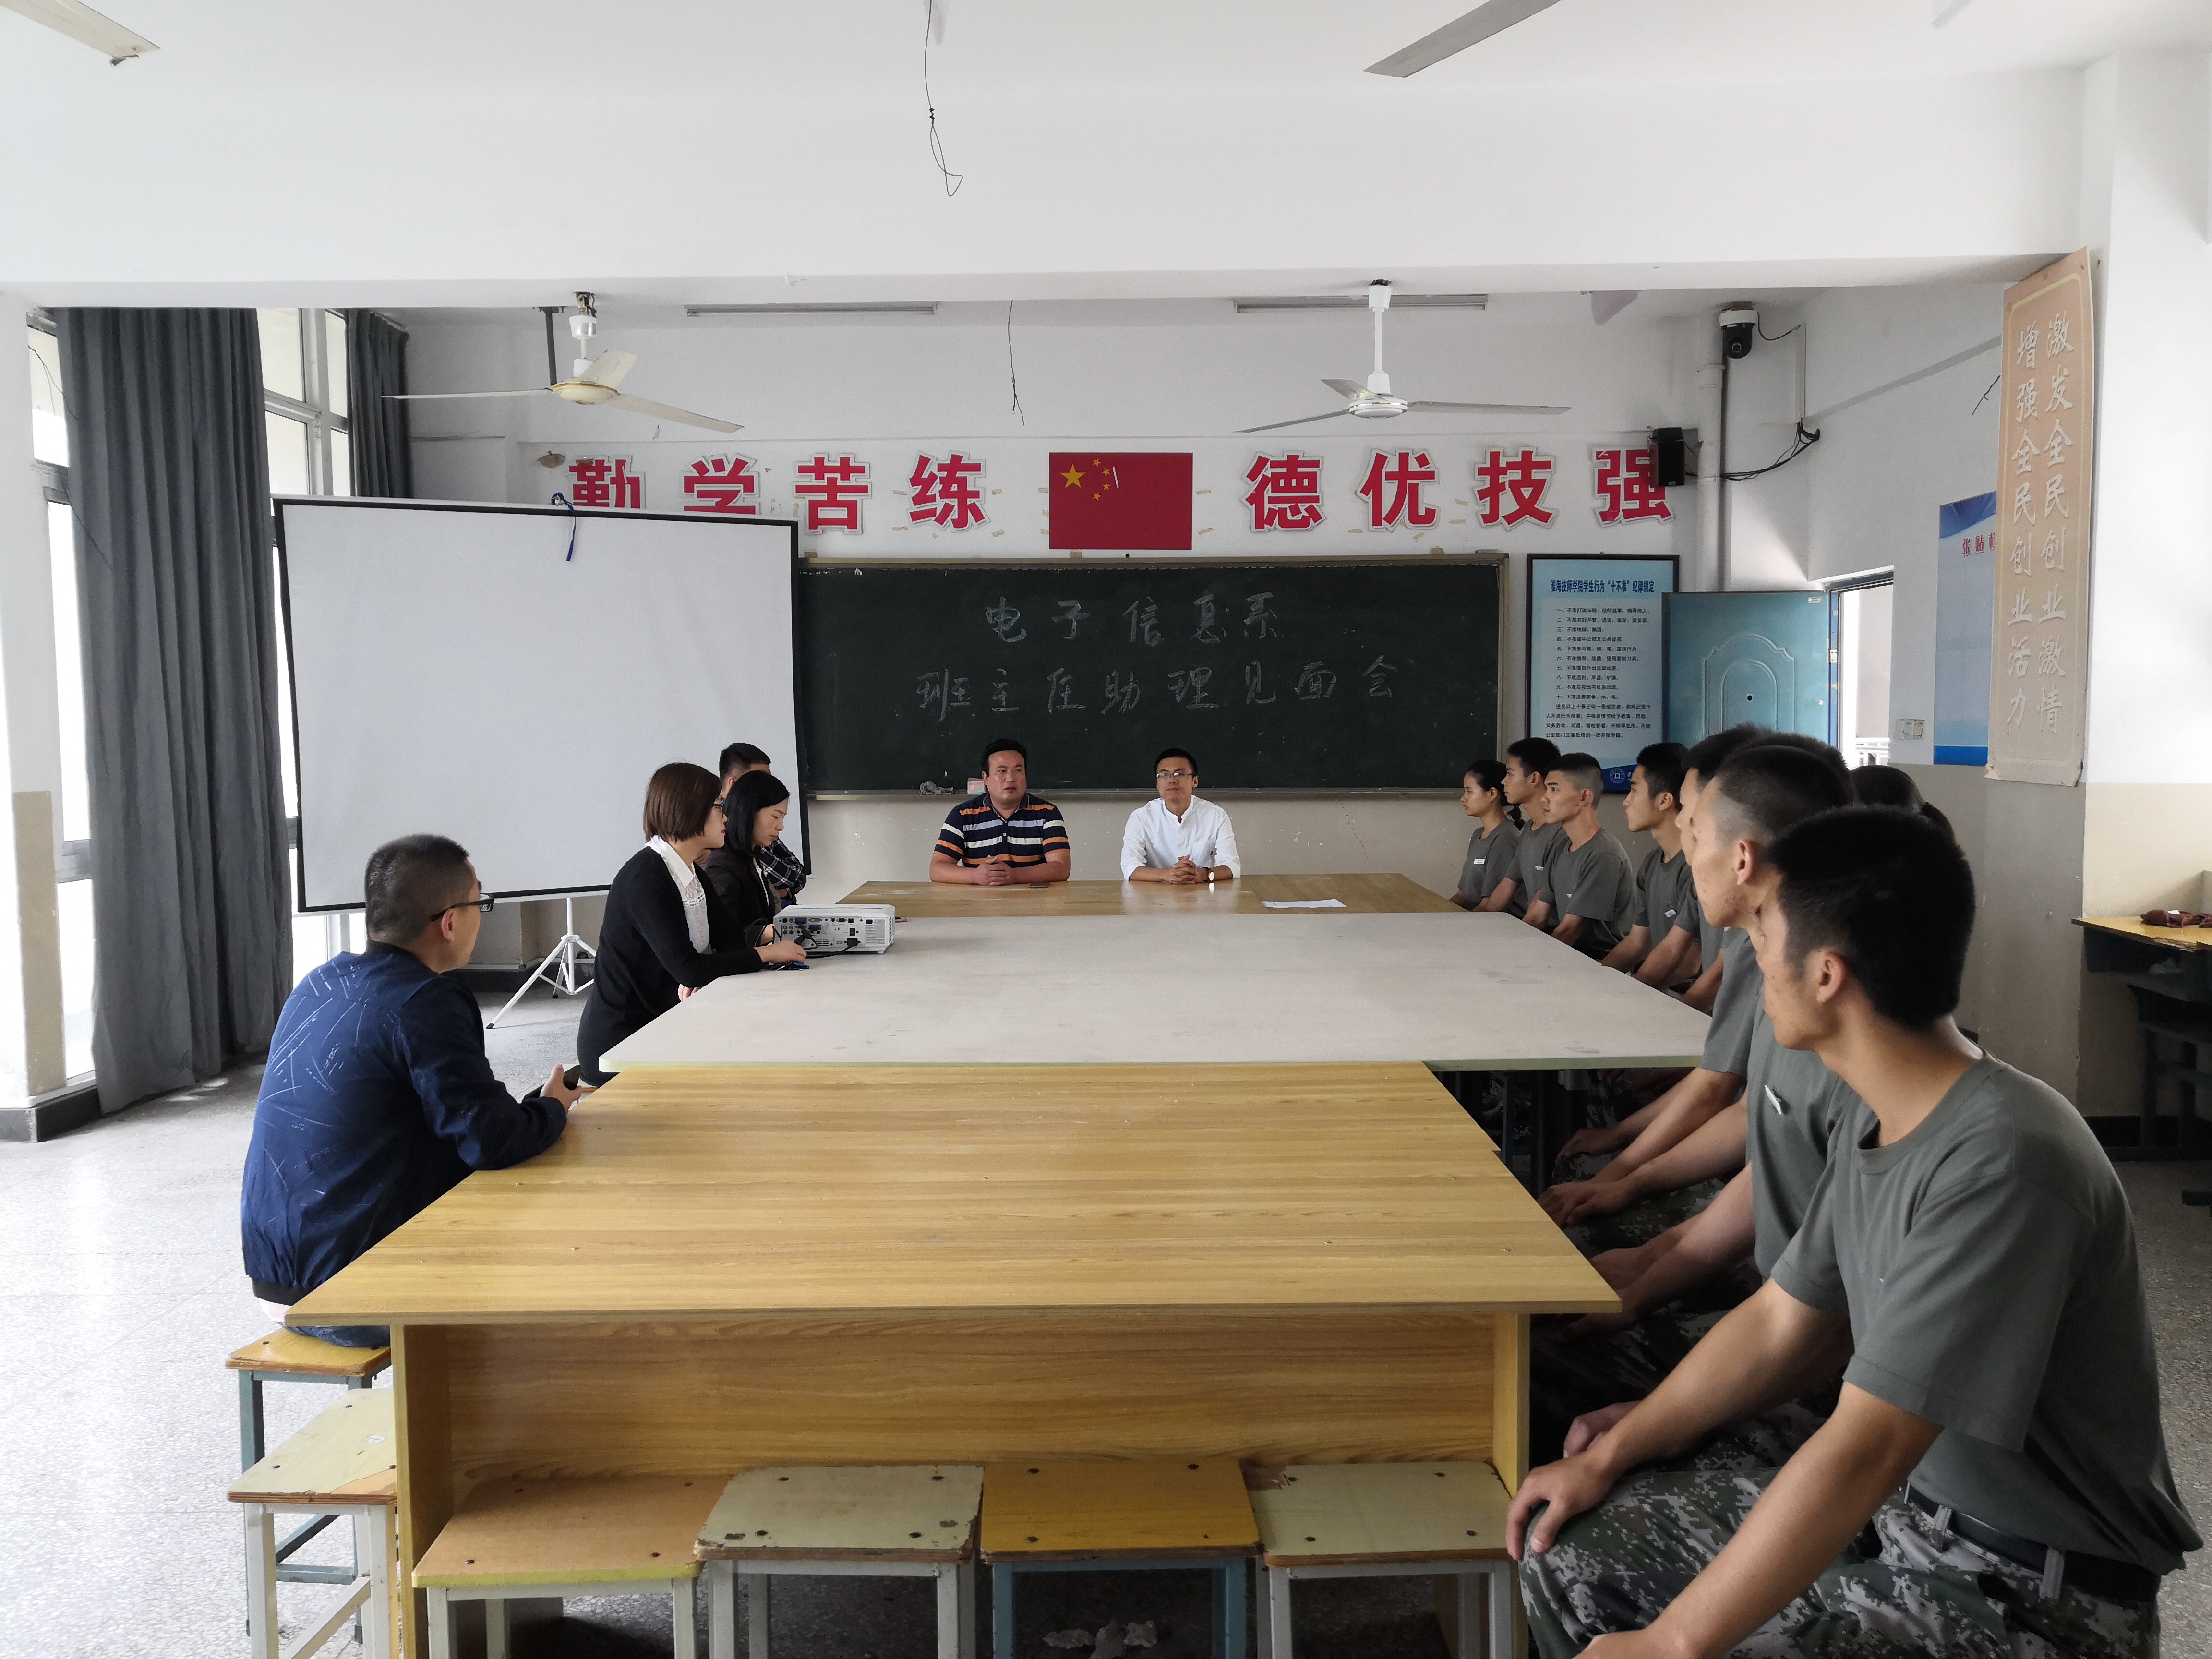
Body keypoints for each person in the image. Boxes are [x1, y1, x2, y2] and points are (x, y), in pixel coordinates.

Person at [1512, 807, 2200, 1659]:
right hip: (1913, 1520)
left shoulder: (2004, 1158)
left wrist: (1674, 1643)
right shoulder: (1883, 1120)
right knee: (1569, 1550)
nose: (1753, 957)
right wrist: (1610, 1453)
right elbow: (1781, 1321)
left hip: (2028, 1596)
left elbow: (1871, 1441)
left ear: (1827, 974)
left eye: (1765, 935)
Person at [241, 835, 577, 1346]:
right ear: (450, 922)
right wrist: (551, 1109)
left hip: (276, 1277)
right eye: (481, 903)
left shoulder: (318, 983)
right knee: (549, 1202)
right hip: (357, 1285)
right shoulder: (427, 1000)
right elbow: (491, 1141)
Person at [577, 762, 805, 1083]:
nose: (726, 817)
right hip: (623, 1041)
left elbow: (729, 944)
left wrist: (703, 973)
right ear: (690, 810)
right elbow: (689, 968)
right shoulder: (646, 877)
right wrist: (766, 954)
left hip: (670, 1021)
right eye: (718, 807)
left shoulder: (692, 873)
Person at [1599, 742, 1701, 986]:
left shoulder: (1695, 868)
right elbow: (1636, 943)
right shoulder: (1652, 863)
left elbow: (1690, 961)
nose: (1626, 801)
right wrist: (1595, 982)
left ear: (1665, 800)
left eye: (1634, 790)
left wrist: (1632, 992)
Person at [929, 736, 1072, 886]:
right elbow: (937, 868)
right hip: (979, 900)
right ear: (986, 778)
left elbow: (1061, 868)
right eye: (1002, 771)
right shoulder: (963, 815)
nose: (1010, 778)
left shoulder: (1047, 813)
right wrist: (975, 876)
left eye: (1018, 770)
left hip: (1034, 899)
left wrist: (1013, 876)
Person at [1534, 753, 1636, 958]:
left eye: (1554, 789)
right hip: (1567, 956)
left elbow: (1570, 931)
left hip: (1597, 963)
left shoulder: (1603, 854)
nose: (1544, 798)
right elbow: (1537, 915)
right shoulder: (1562, 846)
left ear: (1584, 798)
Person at [1121, 746, 1240, 883]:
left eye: (1180, 774)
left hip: (1202, 891)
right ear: (1157, 784)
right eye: (1164, 775)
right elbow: (1130, 867)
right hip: (1156, 893)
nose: (1172, 780)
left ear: (1195, 781)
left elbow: (1233, 866)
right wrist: (1167, 875)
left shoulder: (1216, 816)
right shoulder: (1141, 818)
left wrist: (1204, 874)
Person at [703, 769, 796, 931]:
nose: (781, 827)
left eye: (783, 818)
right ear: (749, 812)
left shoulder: (753, 855)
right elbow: (724, 934)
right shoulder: (722, 866)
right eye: (776, 817)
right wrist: (772, 932)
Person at [718, 740, 805, 905]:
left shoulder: (761, 831)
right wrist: (775, 892)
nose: (781, 826)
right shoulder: (726, 836)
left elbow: (798, 875)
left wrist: (780, 892)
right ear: (736, 785)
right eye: (757, 779)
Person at [1504, 737, 1567, 929]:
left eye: (1510, 774)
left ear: (1534, 779)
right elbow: (1508, 884)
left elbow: (1539, 916)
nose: (1504, 781)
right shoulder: (1528, 829)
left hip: (1554, 938)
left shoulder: (1562, 834)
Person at [1450, 758, 1523, 914]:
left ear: (1492, 794)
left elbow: (1490, 905)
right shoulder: (1478, 834)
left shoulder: (1505, 838)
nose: (1463, 798)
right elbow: (1464, 894)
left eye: (1469, 791)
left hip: (1490, 922)